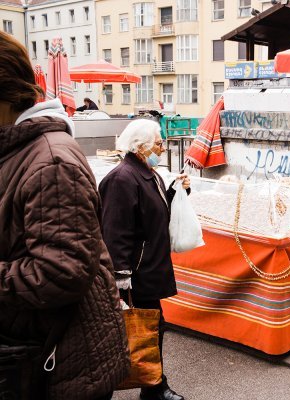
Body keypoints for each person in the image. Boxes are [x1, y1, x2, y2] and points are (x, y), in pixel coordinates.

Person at [0, 31, 129, 400]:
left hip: (58, 365)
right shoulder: (20, 151)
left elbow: (59, 273)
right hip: (32, 351)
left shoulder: (51, 161)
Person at [99, 119, 190, 400]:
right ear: (140, 147)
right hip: (135, 274)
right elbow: (116, 230)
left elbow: (154, 212)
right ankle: (152, 387)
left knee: (152, 327)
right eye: (159, 143)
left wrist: (177, 191)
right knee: (143, 328)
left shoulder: (149, 174)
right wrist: (121, 277)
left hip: (149, 268)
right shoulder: (122, 179)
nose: (162, 149)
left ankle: (152, 384)